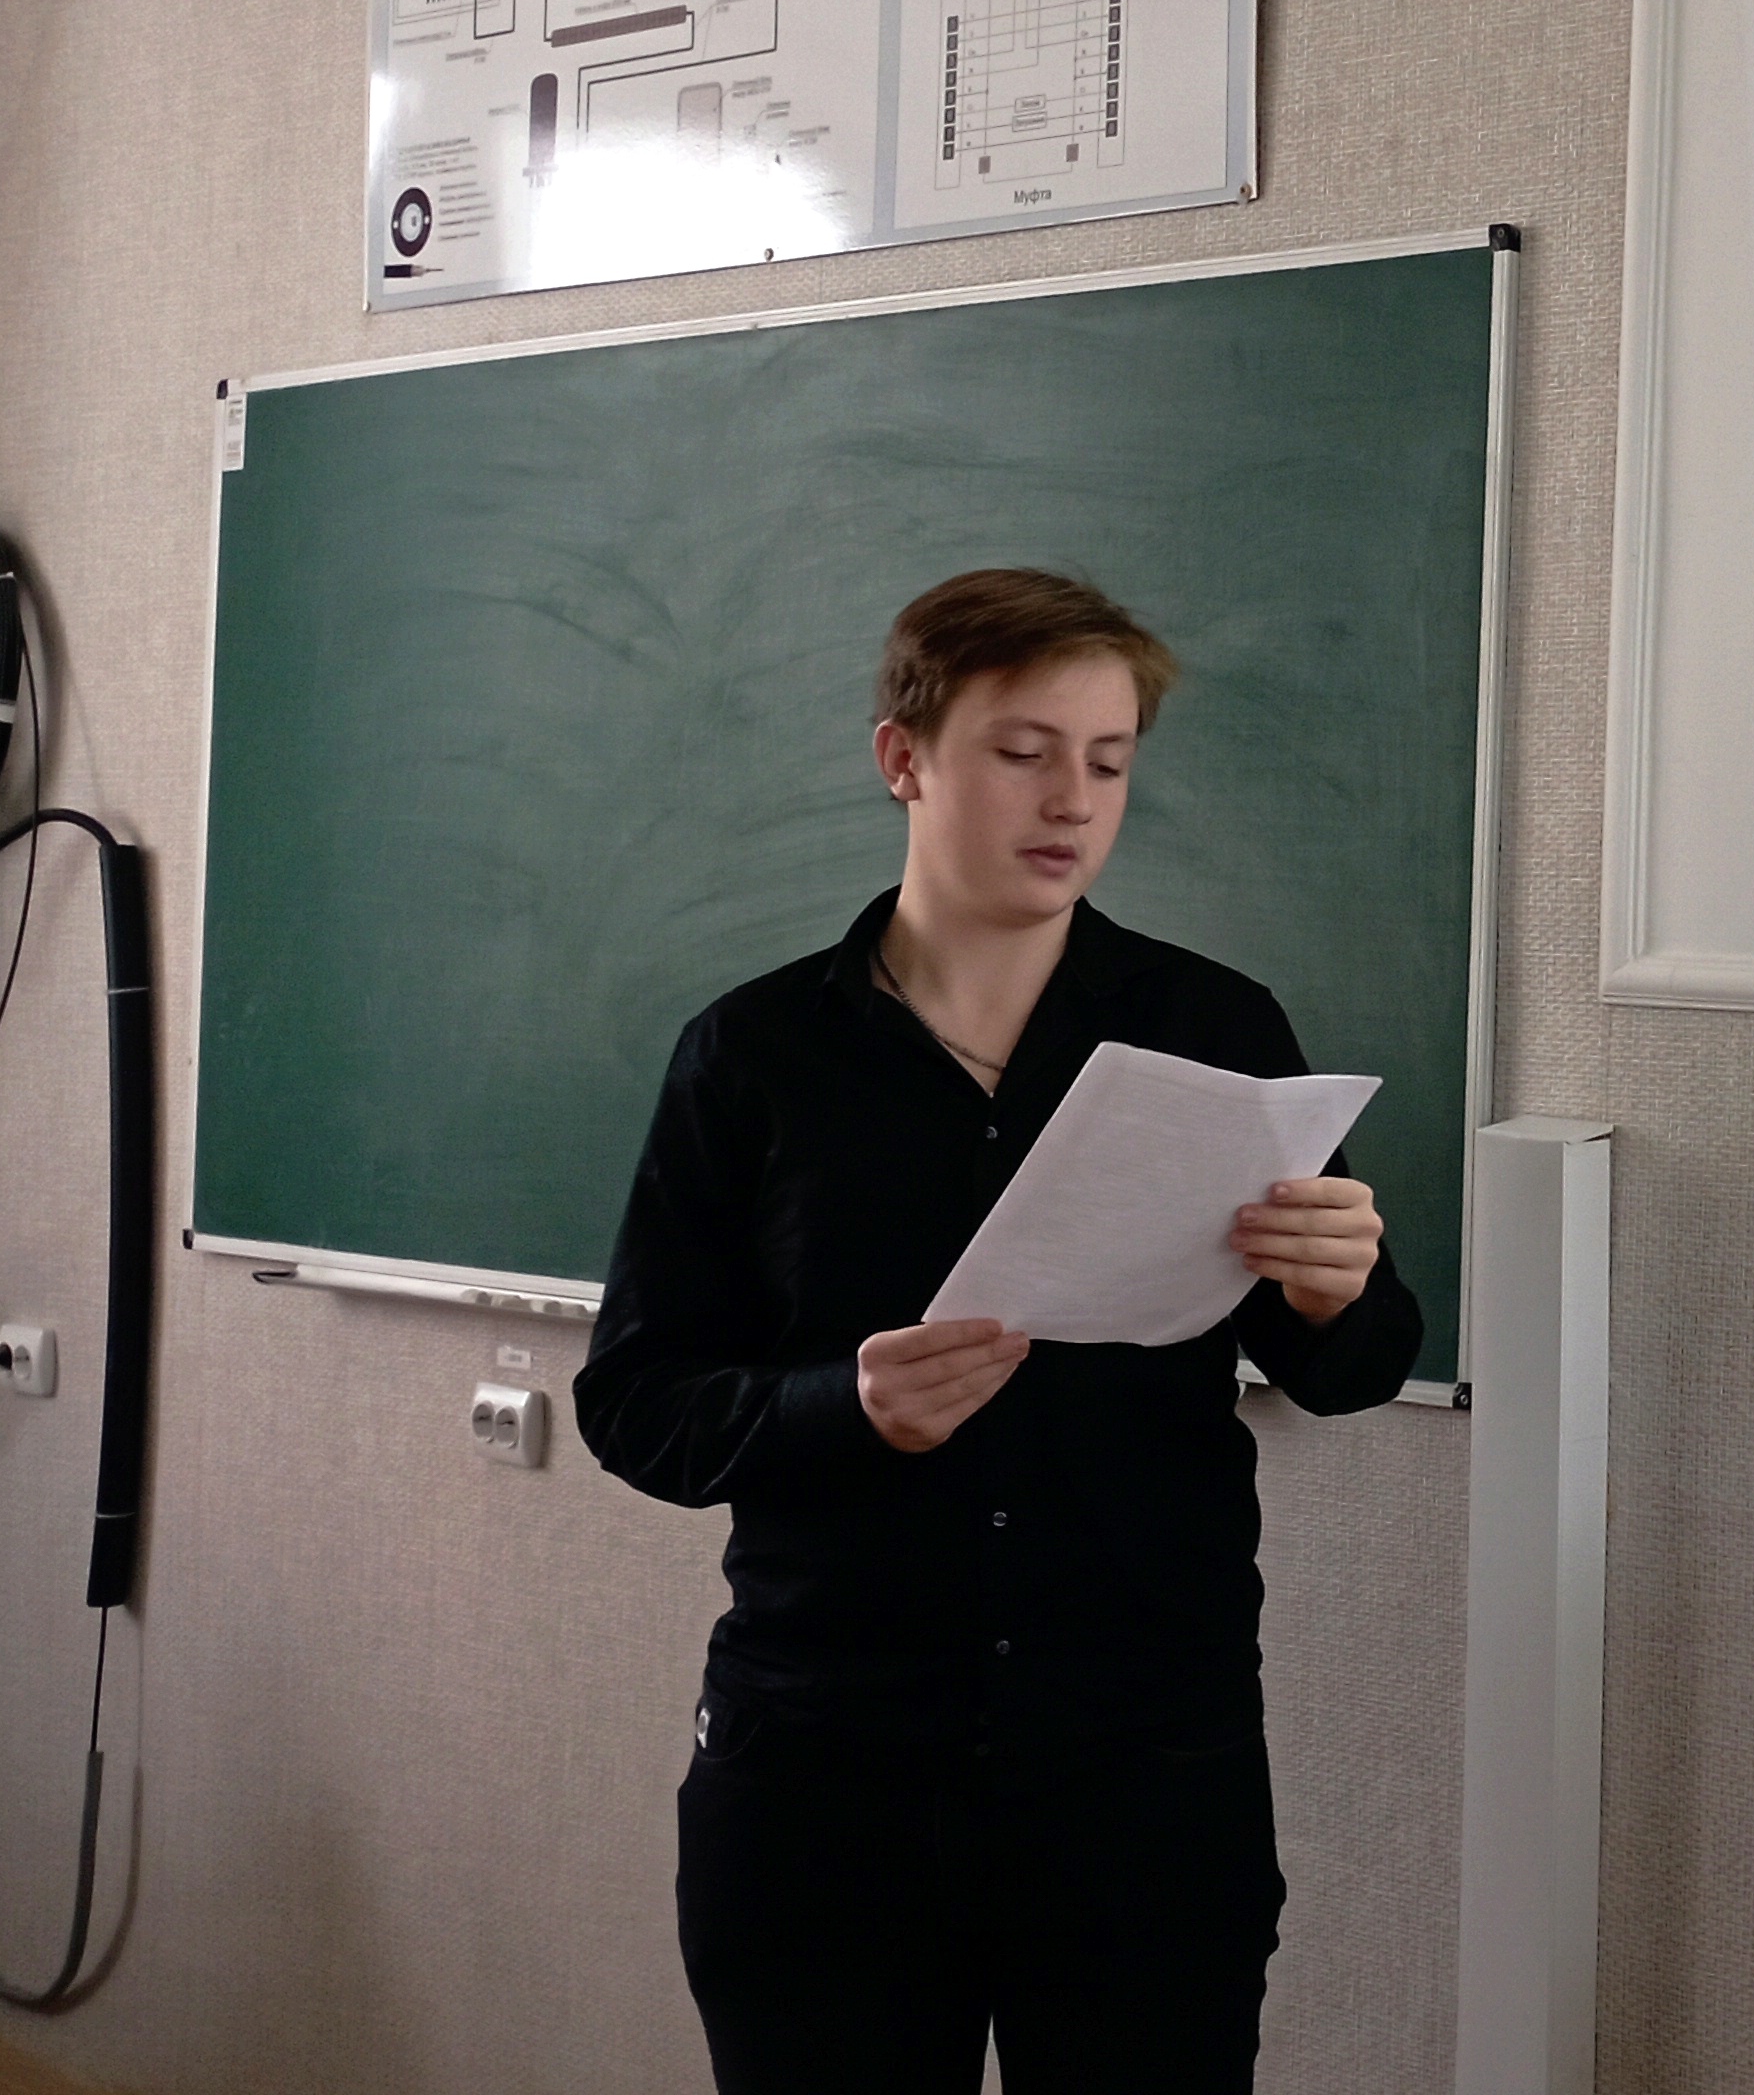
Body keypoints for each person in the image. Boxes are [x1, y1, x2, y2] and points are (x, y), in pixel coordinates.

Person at [573, 567, 1423, 2095]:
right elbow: (637, 1401)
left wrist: (1335, 1288)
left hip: (1141, 1767)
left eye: (1107, 761)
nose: (1072, 801)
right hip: (828, 1770)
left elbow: (1346, 1372)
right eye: (1024, 752)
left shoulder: (1212, 1028)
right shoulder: (755, 1053)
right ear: (902, 758)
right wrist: (843, 1408)